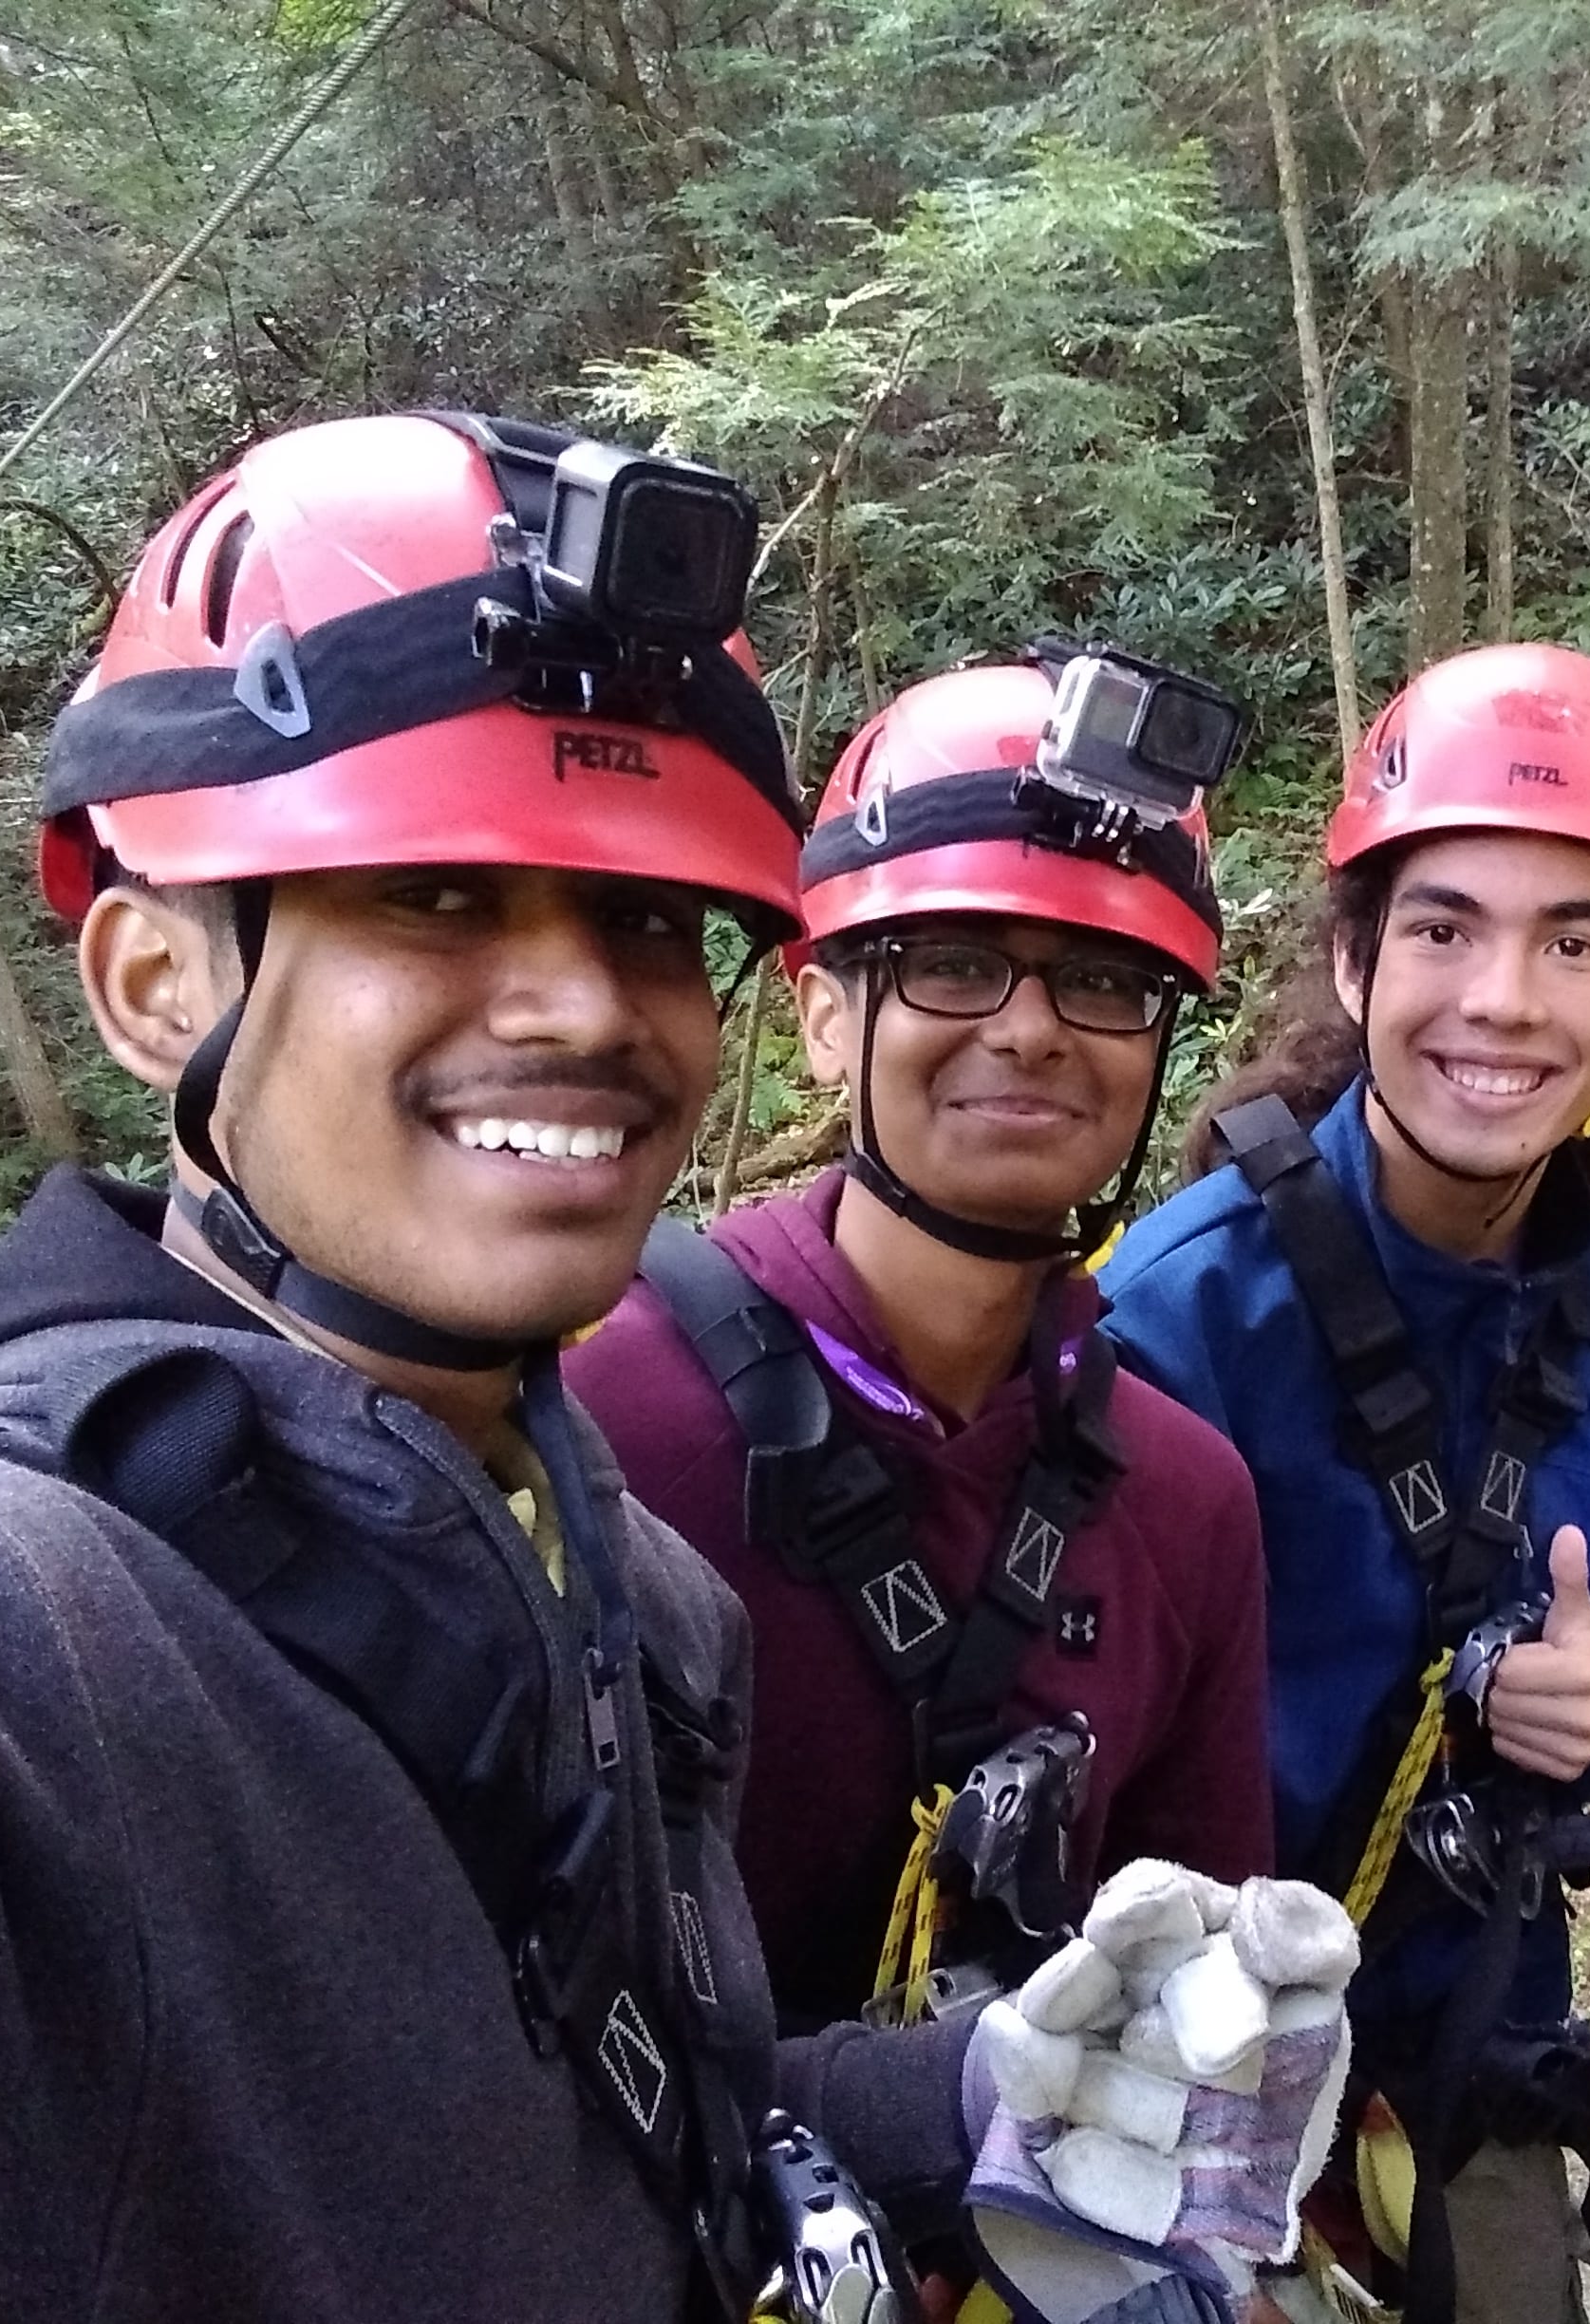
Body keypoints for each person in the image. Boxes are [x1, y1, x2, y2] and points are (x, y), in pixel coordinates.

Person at [0, 407, 964, 2320]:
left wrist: (959, 2105)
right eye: (429, 892)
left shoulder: (637, 1590)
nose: (584, 1004)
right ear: (152, 980)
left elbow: (557, 2143)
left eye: (647, 919)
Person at [1099, 643, 1590, 2321]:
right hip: (1183, 2065)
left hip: (1474, 2033)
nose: (1506, 1000)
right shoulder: (1182, 1314)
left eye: (1573, 941)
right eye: (1446, 927)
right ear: (1353, 955)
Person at [570, 653, 1276, 2048]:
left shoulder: (1184, 1503)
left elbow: (1202, 1969)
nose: (1028, 1029)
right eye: (953, 963)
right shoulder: (614, 1429)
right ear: (827, 1016)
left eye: (1101, 981)